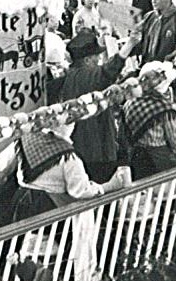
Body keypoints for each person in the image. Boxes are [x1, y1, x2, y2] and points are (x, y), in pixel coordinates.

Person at [0, 120, 131, 220]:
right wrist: (108, 186)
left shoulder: (25, 139)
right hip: (49, 207)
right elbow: (80, 191)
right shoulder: (68, 157)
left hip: (22, 200)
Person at [47, 28, 133, 181]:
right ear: (87, 60)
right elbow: (110, 70)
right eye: (97, 57)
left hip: (77, 149)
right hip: (97, 151)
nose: (99, 61)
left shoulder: (70, 76)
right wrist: (130, 44)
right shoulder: (86, 76)